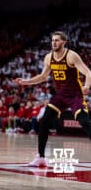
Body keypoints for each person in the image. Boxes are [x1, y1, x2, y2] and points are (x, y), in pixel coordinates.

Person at [14, 31, 91, 167]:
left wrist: (87, 86)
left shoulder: (71, 56)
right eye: (52, 40)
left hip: (75, 95)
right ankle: (41, 157)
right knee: (44, 121)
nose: (53, 42)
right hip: (60, 95)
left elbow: (88, 72)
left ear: (64, 42)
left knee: (84, 121)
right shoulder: (49, 57)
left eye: (57, 40)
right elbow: (43, 77)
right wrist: (25, 82)